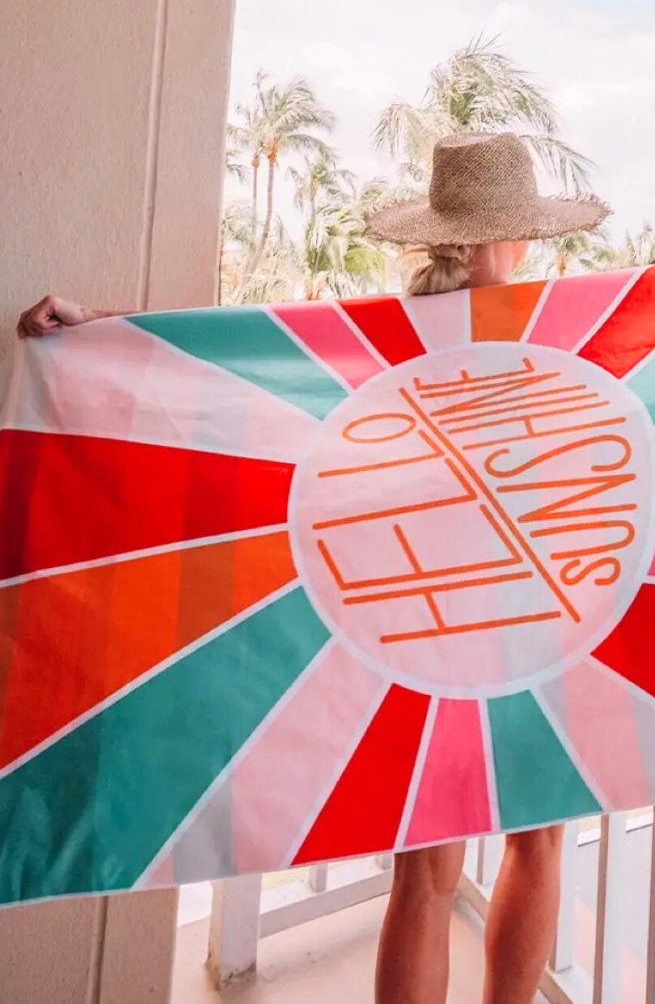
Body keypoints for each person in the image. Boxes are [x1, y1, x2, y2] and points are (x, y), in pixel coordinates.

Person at [17, 131, 609, 1004]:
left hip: (421, 629)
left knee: (426, 876)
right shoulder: (563, 336)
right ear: (510, 238)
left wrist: (99, 330)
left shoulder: (383, 340)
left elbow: (238, 367)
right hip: (538, 622)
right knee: (539, 844)